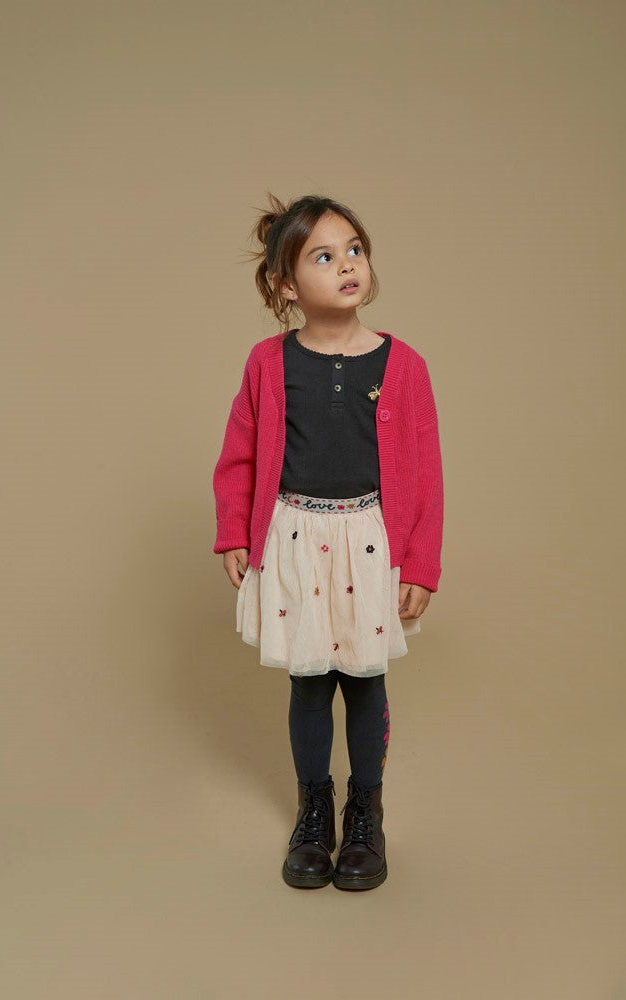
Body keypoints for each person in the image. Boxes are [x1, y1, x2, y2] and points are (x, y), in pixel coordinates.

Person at [212, 193, 444, 891]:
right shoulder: (267, 363)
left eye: (354, 250)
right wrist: (233, 530)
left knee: (366, 680)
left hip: (369, 541)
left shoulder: (404, 365)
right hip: (294, 537)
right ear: (286, 286)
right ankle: (313, 812)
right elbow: (241, 453)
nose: (347, 265)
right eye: (324, 256)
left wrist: (421, 562)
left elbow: (426, 470)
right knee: (309, 681)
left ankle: (365, 812)